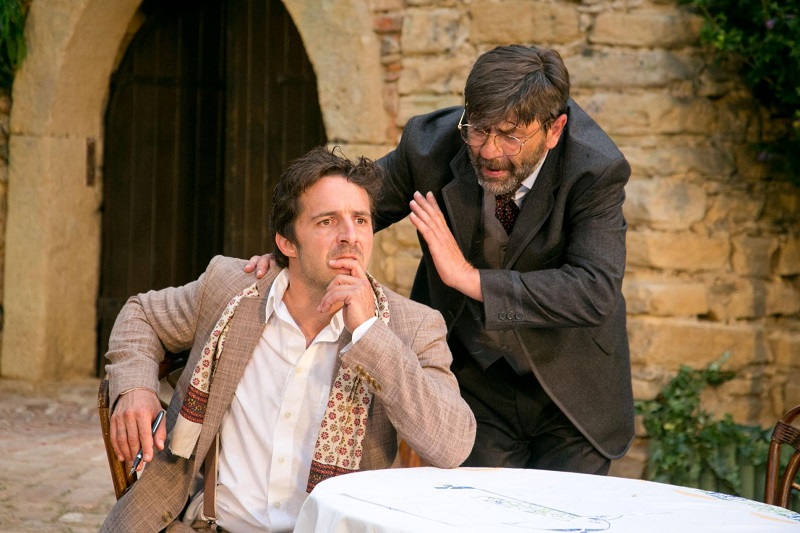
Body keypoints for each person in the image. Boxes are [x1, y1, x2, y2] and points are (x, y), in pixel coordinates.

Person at [247, 45, 634, 475]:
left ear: (554, 130)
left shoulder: (595, 170)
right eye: (479, 130)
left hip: (571, 390)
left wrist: (470, 278)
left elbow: (594, 289)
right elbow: (345, 204)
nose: (489, 151)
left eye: (510, 136)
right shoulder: (428, 147)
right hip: (474, 385)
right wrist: (291, 252)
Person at [101, 147, 476, 533]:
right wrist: (135, 389)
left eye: (361, 220)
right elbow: (140, 314)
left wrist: (369, 334)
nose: (350, 237)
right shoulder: (231, 289)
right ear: (286, 243)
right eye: (327, 221)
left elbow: (452, 444)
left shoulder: (412, 326)